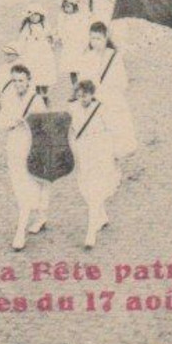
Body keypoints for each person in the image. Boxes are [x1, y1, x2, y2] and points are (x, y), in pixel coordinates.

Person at [0, 64, 51, 251]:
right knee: (21, 187)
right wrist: (11, 122)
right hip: (14, 148)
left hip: (31, 147)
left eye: (21, 81)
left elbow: (44, 127)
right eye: (15, 80)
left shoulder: (36, 100)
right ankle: (41, 216)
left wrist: (29, 126)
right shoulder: (8, 99)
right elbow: (0, 123)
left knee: (30, 187)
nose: (18, 84)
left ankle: (20, 232)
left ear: (28, 81)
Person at [65, 22, 139, 164]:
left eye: (98, 38)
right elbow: (83, 79)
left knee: (116, 126)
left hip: (112, 97)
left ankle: (117, 156)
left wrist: (109, 87)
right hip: (95, 98)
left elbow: (123, 80)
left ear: (105, 38)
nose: (95, 42)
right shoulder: (87, 57)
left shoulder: (114, 56)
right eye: (92, 38)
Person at [69, 79, 120, 249]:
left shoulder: (101, 109)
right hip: (84, 152)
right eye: (79, 96)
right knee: (86, 188)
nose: (82, 99)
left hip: (100, 151)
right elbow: (72, 130)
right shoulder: (74, 109)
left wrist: (113, 152)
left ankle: (91, 231)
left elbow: (112, 130)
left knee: (95, 189)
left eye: (85, 96)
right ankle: (102, 216)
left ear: (92, 94)